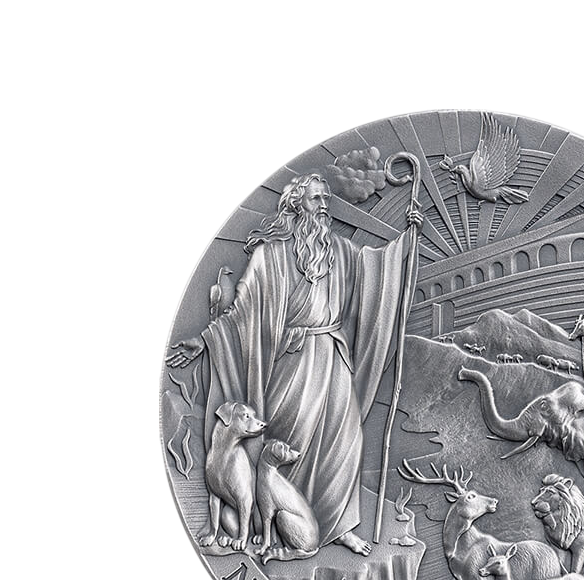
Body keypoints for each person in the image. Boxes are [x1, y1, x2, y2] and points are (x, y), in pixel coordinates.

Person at [168, 173, 420, 555]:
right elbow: (242, 311)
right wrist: (204, 339)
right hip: (293, 359)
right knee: (291, 440)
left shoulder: (339, 251)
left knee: (346, 440)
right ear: (295, 204)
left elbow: (376, 269)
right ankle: (284, 523)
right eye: (316, 199)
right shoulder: (271, 255)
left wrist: (407, 240)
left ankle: (339, 526)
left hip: (333, 355)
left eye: (326, 199)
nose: (324, 206)